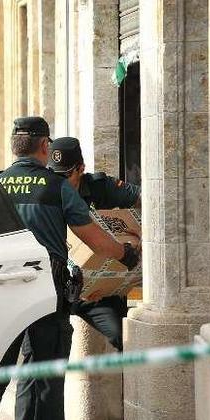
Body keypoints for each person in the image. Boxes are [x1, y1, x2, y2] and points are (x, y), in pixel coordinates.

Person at [0, 117, 140, 420]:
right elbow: (94, 239)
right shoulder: (57, 187)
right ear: (43, 147)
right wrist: (126, 254)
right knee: (48, 378)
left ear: (13, 147)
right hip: (43, 292)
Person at [47, 137, 140, 351]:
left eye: (65, 175)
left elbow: (144, 197)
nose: (59, 181)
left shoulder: (99, 186)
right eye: (55, 175)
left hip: (102, 290)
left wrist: (142, 231)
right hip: (64, 287)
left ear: (80, 169)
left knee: (122, 335)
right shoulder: (47, 191)